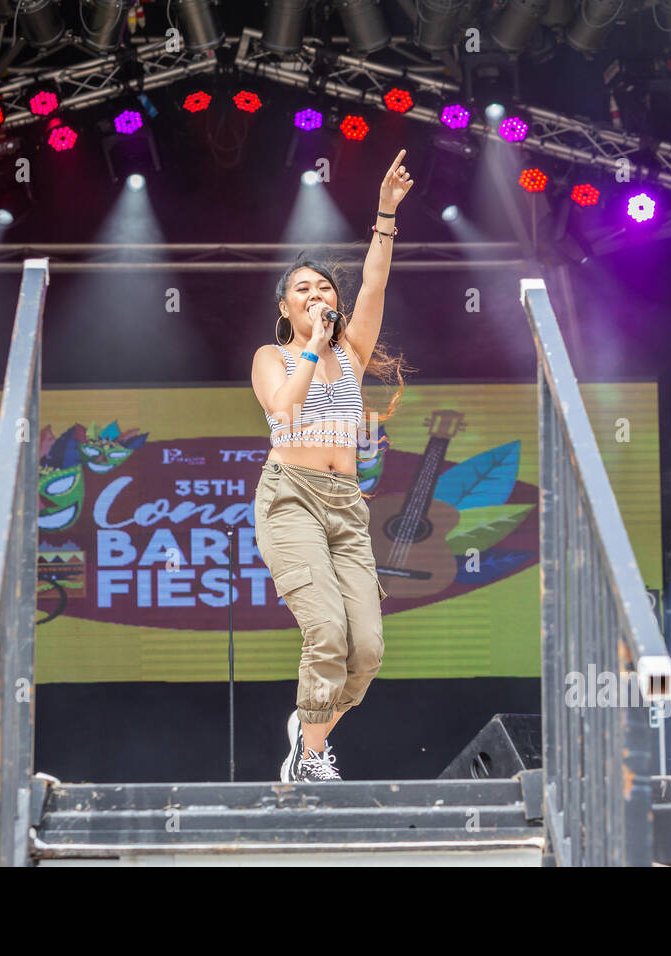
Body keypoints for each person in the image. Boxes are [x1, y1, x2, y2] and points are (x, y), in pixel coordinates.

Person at [250, 149, 413, 782]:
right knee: (325, 629)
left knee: (366, 649)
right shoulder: (275, 355)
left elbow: (374, 282)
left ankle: (308, 729)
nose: (317, 295)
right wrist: (312, 349)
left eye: (324, 289)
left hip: (345, 505)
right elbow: (284, 414)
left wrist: (385, 214)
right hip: (290, 497)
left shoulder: (351, 352)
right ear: (286, 308)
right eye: (303, 290)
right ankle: (311, 756)